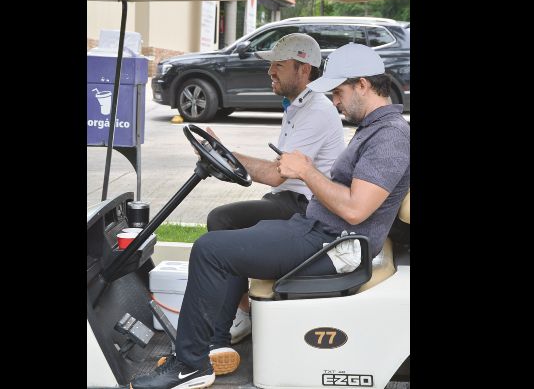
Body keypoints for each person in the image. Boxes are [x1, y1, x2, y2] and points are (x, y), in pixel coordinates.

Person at [131, 43, 410, 389]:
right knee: (234, 232)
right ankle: (215, 341)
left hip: (334, 246)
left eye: (338, 92)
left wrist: (307, 171)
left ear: (364, 85)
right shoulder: (374, 129)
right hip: (318, 230)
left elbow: (355, 209)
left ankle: (190, 365)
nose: (335, 101)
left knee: (210, 250)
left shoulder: (391, 136)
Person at [205, 32, 345, 350]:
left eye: (279, 66)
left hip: (305, 207)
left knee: (222, 221)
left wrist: (225, 152)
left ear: (304, 69)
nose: (271, 72)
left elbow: (275, 175)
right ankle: (241, 313)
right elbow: (277, 169)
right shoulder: (297, 107)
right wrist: (226, 158)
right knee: (228, 221)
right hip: (288, 199)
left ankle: (224, 331)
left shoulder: (317, 110)